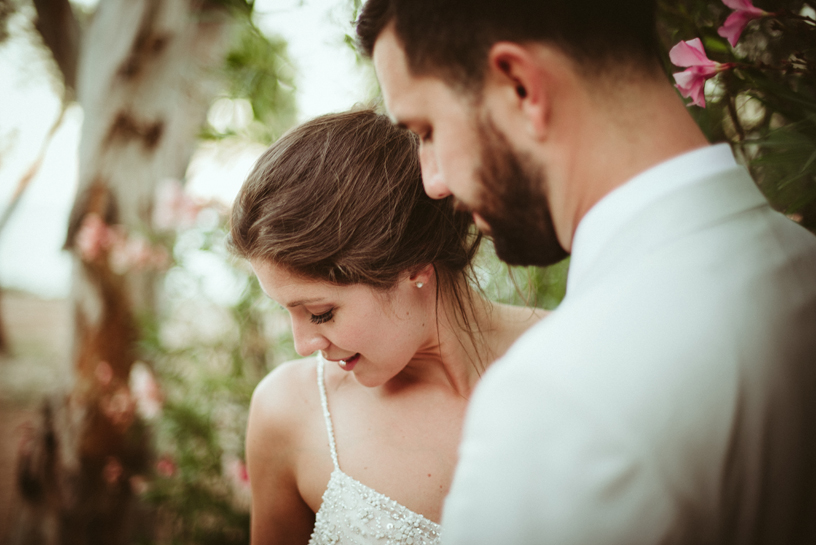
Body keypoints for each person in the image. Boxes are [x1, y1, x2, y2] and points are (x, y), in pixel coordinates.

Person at [356, 1, 816, 543]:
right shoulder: (801, 259)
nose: (431, 181)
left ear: (521, 87)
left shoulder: (554, 397)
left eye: (427, 129)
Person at [229, 109, 546, 544]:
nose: (302, 344)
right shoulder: (287, 413)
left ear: (413, 264)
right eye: (287, 311)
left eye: (321, 312)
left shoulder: (582, 359)